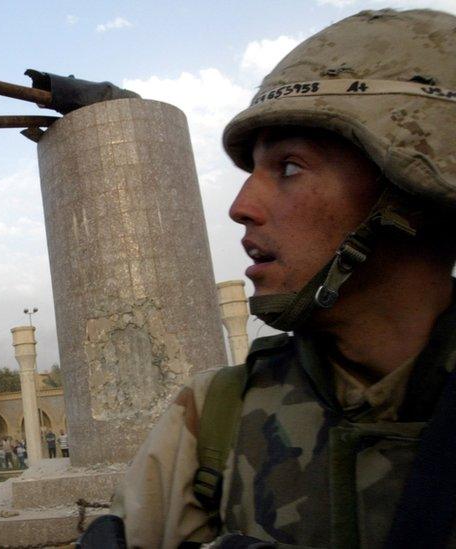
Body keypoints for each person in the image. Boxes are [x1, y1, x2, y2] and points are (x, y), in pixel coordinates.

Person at [108, 9, 456, 548]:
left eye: (290, 167)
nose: (241, 207)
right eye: (251, 172)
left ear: (411, 189)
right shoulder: (214, 420)